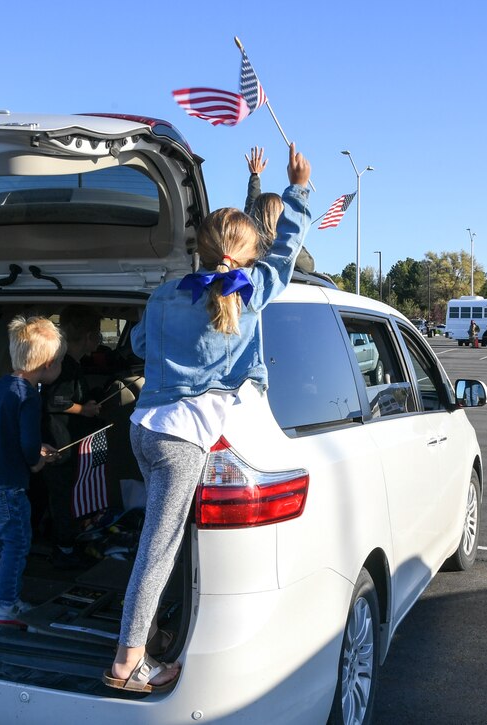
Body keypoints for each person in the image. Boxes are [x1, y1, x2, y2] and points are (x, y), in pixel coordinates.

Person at [103, 143, 312, 693]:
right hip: (183, 439)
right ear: (246, 254)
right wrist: (296, 189)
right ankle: (128, 662)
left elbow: (141, 344)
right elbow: (286, 249)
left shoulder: (166, 293)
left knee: (165, 539)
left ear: (200, 248)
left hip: (144, 428)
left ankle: (154, 631)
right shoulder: (250, 296)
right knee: (160, 548)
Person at [0, 316, 64, 626]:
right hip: (5, 487)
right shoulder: (29, 396)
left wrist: (34, 449)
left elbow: (2, 433)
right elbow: (27, 442)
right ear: (47, 364)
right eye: (59, 362)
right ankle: (7, 606)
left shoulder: (1, 386)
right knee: (16, 543)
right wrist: (37, 460)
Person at [41, 305, 104, 569]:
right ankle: (64, 548)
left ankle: (66, 539)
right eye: (98, 334)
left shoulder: (71, 363)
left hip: (63, 440)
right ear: (90, 337)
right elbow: (57, 401)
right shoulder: (65, 366)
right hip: (60, 442)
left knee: (62, 496)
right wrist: (85, 409)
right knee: (63, 497)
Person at [244, 145, 316, 270]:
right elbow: (309, 265)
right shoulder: (284, 250)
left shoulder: (244, 248)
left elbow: (252, 206)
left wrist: (255, 175)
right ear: (282, 216)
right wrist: (298, 186)